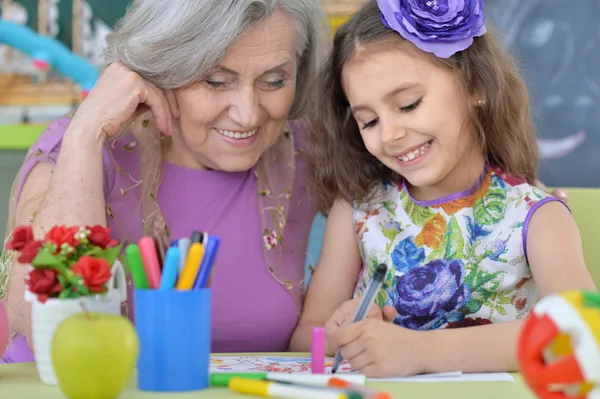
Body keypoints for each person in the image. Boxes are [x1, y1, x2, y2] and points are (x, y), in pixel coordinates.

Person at [0, 0, 329, 363]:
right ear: (160, 70)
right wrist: (86, 132)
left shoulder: (304, 152)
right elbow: (42, 321)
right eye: (216, 81)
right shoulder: (76, 147)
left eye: (274, 81)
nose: (247, 112)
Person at [289, 0, 595, 377]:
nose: (390, 134)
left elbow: (580, 334)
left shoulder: (536, 215)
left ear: (475, 85)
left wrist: (421, 352)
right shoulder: (358, 212)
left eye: (408, 104)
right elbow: (307, 337)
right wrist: (343, 334)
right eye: (368, 121)